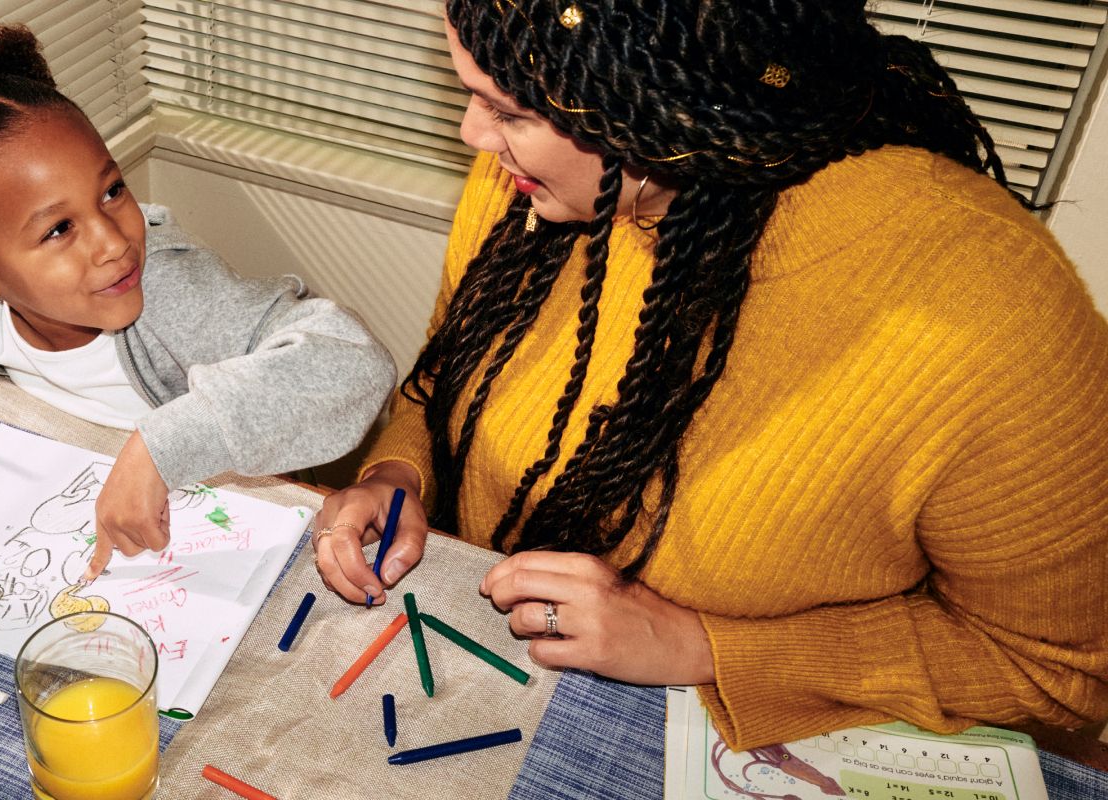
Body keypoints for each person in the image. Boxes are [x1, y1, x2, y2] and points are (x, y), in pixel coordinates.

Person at [314, 0, 1108, 749]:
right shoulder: (539, 184)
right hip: (475, 671)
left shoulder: (996, 314)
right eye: (474, 94)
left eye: (509, 110)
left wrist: (702, 645)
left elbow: (1058, 674)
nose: (472, 135)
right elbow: (449, 372)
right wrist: (399, 470)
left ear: (660, 109)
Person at [0, 24, 395, 581]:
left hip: (237, 551)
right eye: (60, 229)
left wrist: (162, 446)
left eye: (112, 191)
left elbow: (353, 357)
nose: (116, 242)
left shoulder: (170, 295)